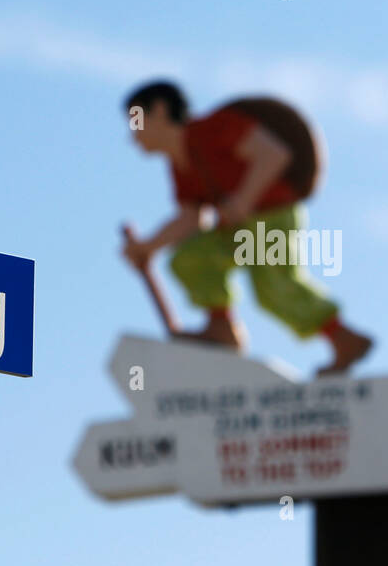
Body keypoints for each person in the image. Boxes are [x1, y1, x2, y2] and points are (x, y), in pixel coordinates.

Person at [121, 80, 373, 374]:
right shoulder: (181, 165)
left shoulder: (213, 129)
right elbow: (190, 219)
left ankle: (341, 337)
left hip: (273, 215)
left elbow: (274, 154)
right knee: (192, 256)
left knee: (275, 287)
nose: (134, 135)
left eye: (137, 121)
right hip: (237, 230)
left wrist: (243, 199)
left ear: (160, 111)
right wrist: (148, 247)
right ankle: (221, 328)